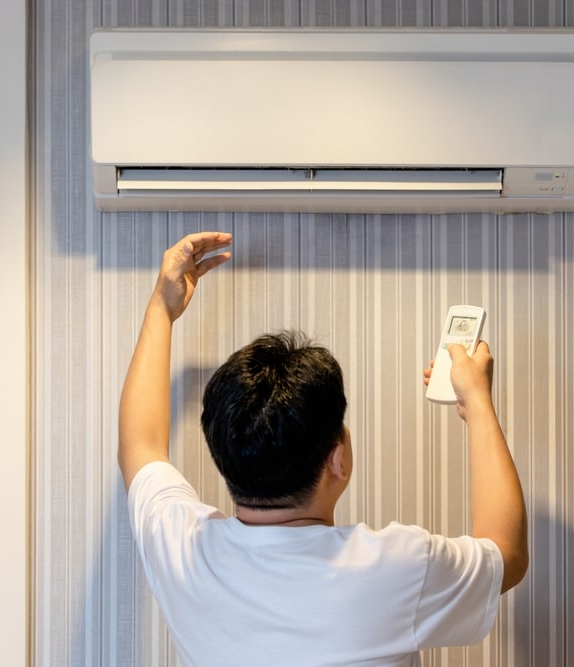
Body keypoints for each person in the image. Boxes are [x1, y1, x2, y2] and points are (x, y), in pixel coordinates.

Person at [119, 231, 528, 667]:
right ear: (338, 458)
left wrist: (162, 308)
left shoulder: (183, 550)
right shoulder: (398, 567)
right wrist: (479, 403)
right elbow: (507, 552)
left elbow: (139, 446)